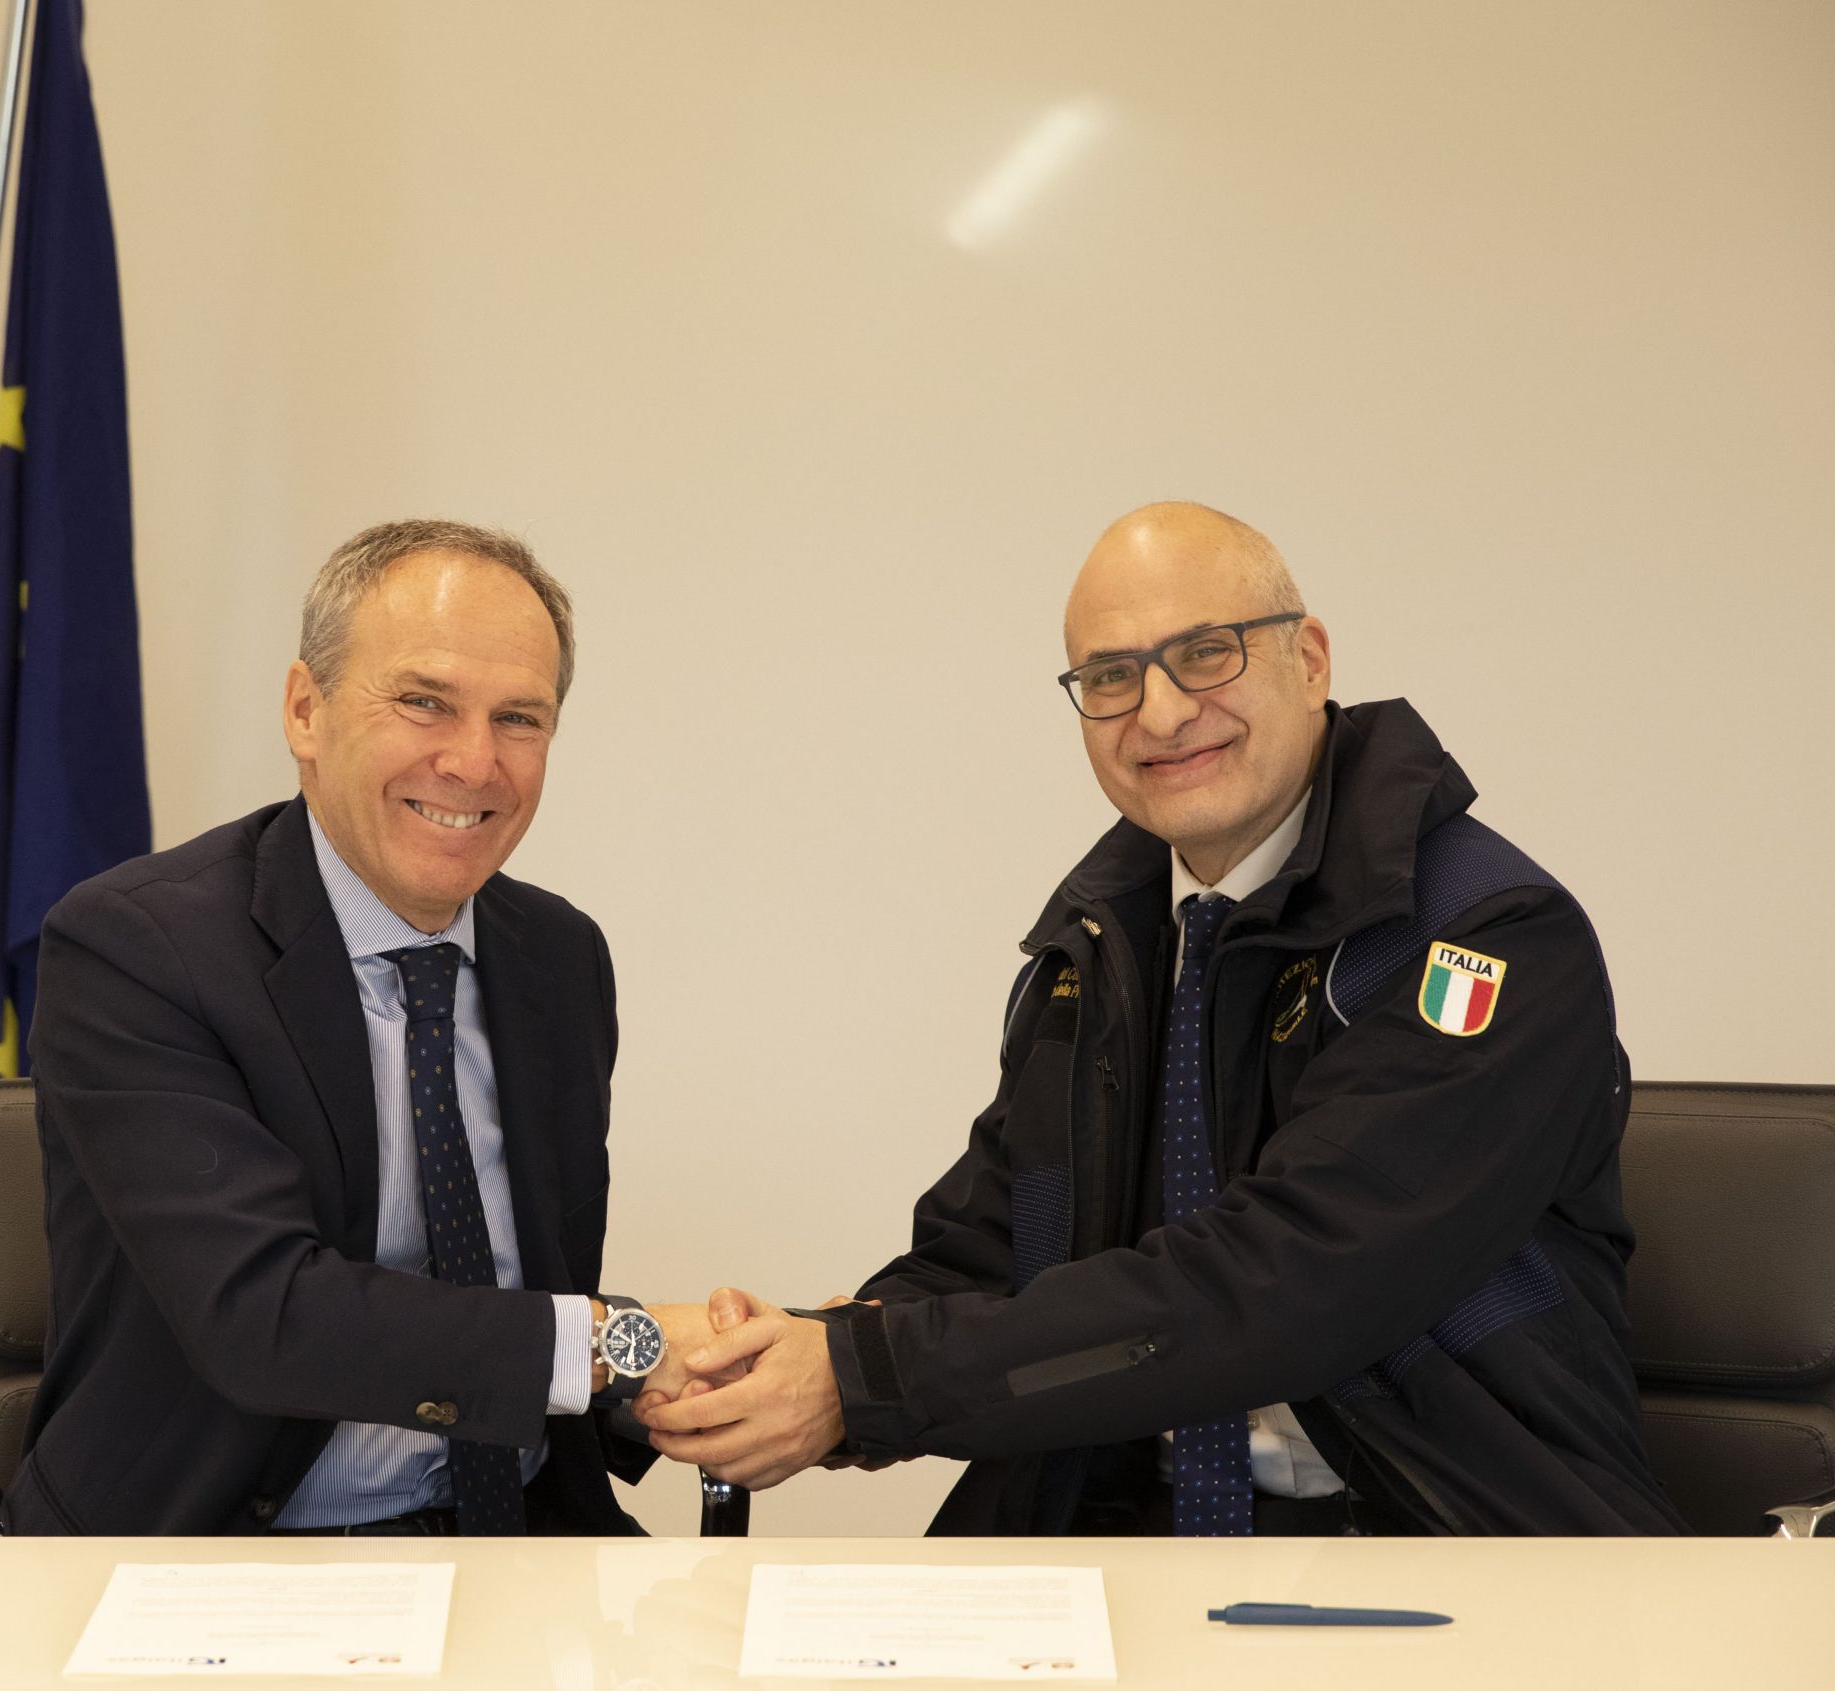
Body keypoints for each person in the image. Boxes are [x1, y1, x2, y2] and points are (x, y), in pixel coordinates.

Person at [639, 502, 1685, 1536]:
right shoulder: (1103, 948)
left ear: (1309, 660)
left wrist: (860, 1379)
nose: (1162, 711)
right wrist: (777, 1360)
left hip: (1428, 1536)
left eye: (1204, 653)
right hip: (1118, 1529)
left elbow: (1285, 1285)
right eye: (1110, 676)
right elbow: (989, 1258)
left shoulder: (1485, 936)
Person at [2, 519, 717, 1536]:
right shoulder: (140, 948)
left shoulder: (558, 958)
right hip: (225, 1551)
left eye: (519, 718)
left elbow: (523, 1297)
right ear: (306, 710)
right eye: (424, 702)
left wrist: (714, 1366)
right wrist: (624, 1342)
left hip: (519, 1534)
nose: (473, 762)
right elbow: (266, 1318)